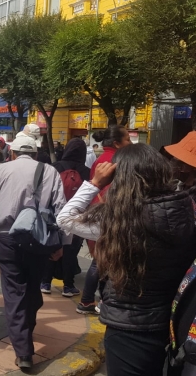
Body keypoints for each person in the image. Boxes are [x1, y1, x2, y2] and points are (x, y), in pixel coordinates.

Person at [57, 144, 196, 376]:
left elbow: (65, 219)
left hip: (130, 327)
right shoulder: (185, 207)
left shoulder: (119, 220)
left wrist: (95, 183)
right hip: (174, 321)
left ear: (120, 177)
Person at [0, 134, 66, 371]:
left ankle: (24, 351)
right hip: (38, 240)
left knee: (14, 293)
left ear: (12, 153)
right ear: (36, 154)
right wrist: (60, 245)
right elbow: (62, 210)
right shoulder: (50, 172)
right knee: (33, 287)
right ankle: (25, 334)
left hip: (6, 238)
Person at [76, 125, 132, 315]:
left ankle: (90, 300)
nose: (130, 143)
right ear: (117, 143)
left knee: (100, 259)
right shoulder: (119, 161)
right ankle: (89, 300)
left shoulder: (100, 159)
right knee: (102, 260)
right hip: (111, 215)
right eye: (128, 140)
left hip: (96, 211)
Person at [40, 137, 90, 297]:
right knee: (70, 251)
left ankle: (45, 282)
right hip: (77, 216)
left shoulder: (55, 167)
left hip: (55, 214)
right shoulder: (87, 171)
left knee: (52, 247)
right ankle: (68, 286)